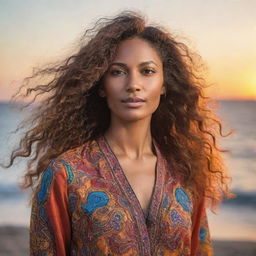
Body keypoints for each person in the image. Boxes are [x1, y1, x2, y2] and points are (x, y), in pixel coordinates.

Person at [6, 11, 232, 256]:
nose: (133, 84)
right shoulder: (65, 175)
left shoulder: (185, 173)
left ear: (165, 83)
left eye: (147, 71)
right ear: (101, 85)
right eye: (117, 71)